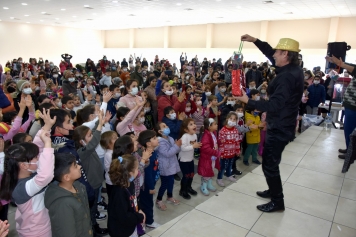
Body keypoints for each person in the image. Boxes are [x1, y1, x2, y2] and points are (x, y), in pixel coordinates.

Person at [237, 34, 304, 212]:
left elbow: (274, 105)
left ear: (285, 54)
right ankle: (273, 189)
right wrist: (255, 40)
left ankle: (277, 201)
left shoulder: (286, 77)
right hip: (283, 123)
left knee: (269, 164)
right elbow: (269, 53)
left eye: (277, 52)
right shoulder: (293, 69)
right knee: (272, 161)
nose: (273, 54)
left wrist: (247, 100)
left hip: (280, 127)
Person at [0, 108, 55, 237]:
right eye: (35, 158)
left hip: (39, 226)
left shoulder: (25, 175)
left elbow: (37, 145)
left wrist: (46, 127)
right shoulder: (21, 188)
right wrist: (48, 144)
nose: (38, 159)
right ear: (24, 165)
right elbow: (45, 176)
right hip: (36, 231)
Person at [44, 153, 92, 237]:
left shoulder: (78, 186)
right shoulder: (62, 204)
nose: (79, 166)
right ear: (66, 177)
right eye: (75, 166)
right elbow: (66, 233)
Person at [107, 154, 146, 237]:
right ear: (130, 173)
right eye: (137, 169)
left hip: (130, 225)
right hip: (122, 231)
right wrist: (140, 216)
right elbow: (124, 217)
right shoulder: (119, 193)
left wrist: (139, 209)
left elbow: (134, 199)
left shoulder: (130, 183)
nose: (138, 171)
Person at [325, 55, 356, 159]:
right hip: (350, 105)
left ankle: (351, 152)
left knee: (350, 129)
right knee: (348, 129)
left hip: (354, 106)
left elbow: (353, 69)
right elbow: (352, 67)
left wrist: (341, 64)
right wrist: (339, 63)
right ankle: (349, 149)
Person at [154, 122, 182, 210]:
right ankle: (159, 199)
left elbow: (175, 151)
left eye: (166, 125)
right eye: (164, 126)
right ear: (159, 131)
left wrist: (178, 146)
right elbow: (167, 153)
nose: (167, 127)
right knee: (164, 184)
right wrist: (176, 146)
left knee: (171, 182)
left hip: (171, 164)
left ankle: (169, 196)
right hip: (165, 166)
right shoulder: (160, 142)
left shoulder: (170, 138)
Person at [137, 130, 160, 229]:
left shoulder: (152, 151)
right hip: (146, 186)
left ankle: (144, 220)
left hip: (151, 182)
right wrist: (150, 187)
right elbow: (147, 174)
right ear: (148, 143)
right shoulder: (147, 156)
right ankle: (149, 221)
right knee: (147, 203)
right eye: (154, 138)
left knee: (144, 202)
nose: (157, 139)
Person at [178, 118, 201, 200]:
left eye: (194, 123)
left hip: (190, 159)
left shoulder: (195, 135)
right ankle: (182, 190)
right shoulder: (184, 136)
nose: (194, 125)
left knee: (191, 174)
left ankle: (189, 187)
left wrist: (197, 145)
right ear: (185, 129)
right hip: (183, 160)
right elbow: (183, 148)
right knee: (186, 176)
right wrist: (193, 146)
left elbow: (193, 145)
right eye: (191, 124)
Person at [198, 118, 220, 196]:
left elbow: (215, 142)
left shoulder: (213, 133)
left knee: (211, 170)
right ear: (210, 127)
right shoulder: (206, 136)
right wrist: (215, 152)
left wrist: (220, 142)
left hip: (212, 158)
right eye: (215, 124)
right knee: (206, 172)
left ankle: (209, 184)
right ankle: (203, 186)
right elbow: (205, 148)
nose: (216, 125)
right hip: (207, 158)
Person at [216, 112, 240, 187]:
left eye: (234, 119)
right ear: (227, 119)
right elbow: (221, 143)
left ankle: (229, 175)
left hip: (232, 152)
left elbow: (237, 141)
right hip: (224, 153)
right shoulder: (223, 131)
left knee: (230, 165)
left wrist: (237, 150)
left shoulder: (235, 130)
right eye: (231, 119)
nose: (232, 121)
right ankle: (219, 178)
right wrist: (221, 153)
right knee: (222, 167)